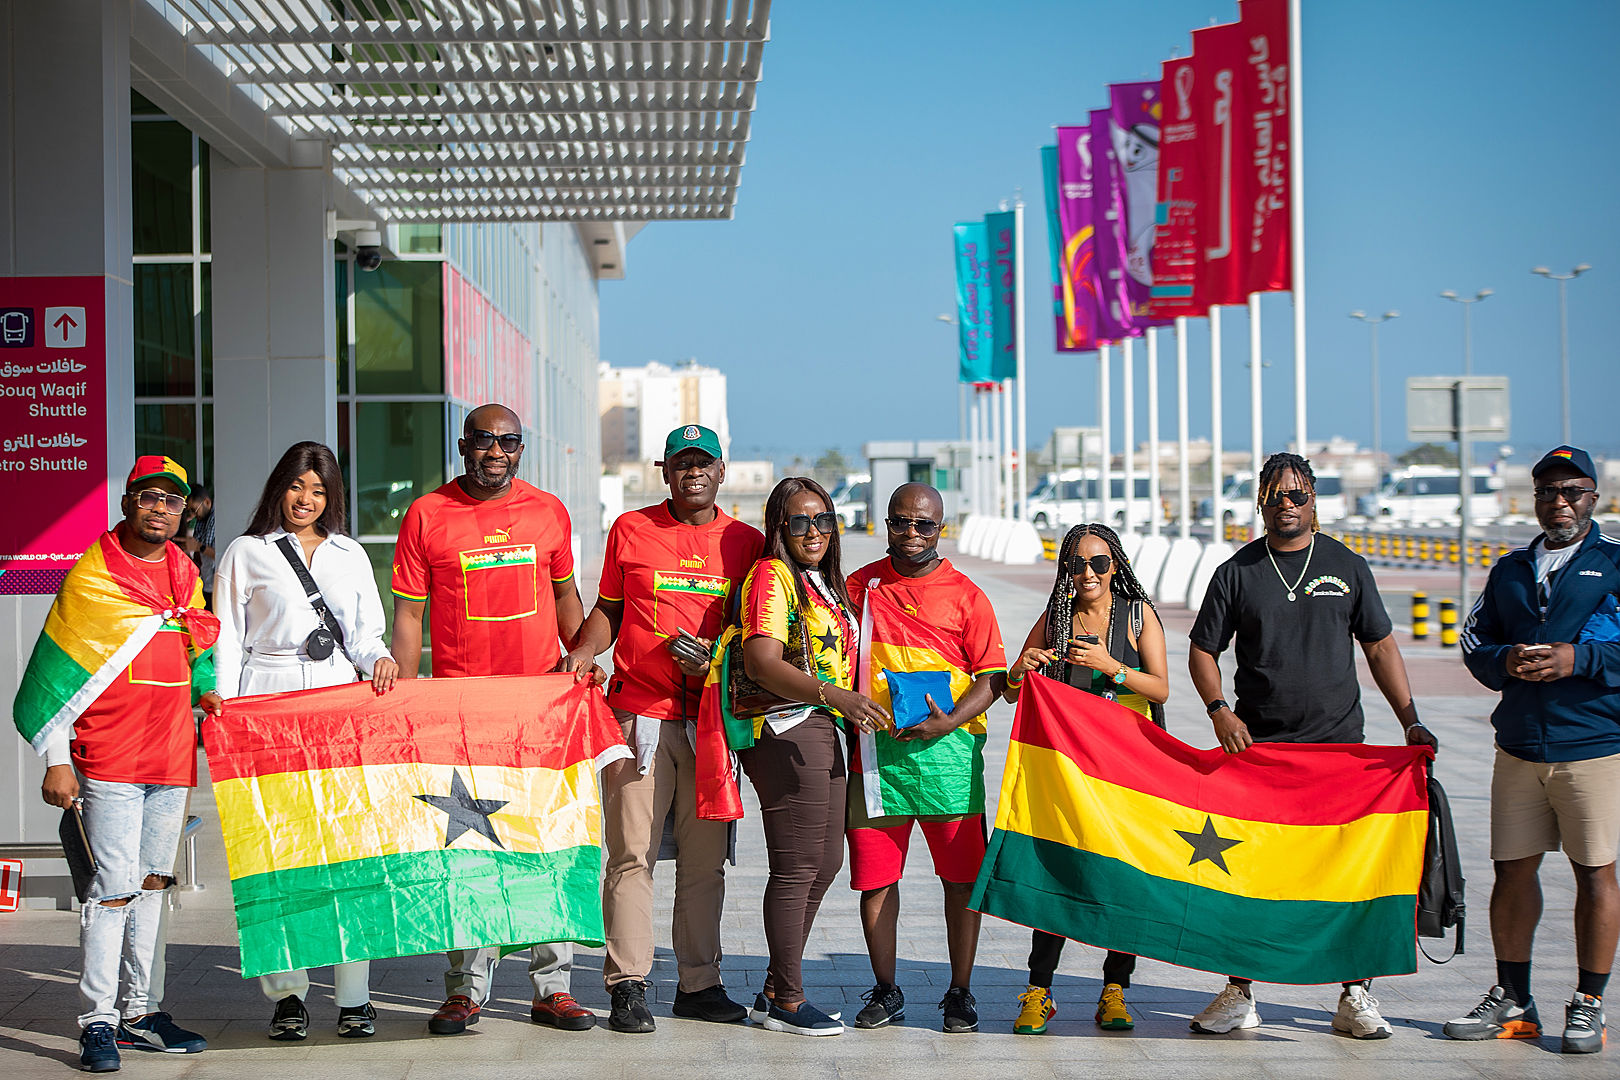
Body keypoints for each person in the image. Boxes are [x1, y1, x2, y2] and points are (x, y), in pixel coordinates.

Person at [1187, 451, 1437, 1040]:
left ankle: (1355, 994)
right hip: (1260, 753)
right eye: (1275, 495)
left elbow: (1379, 647)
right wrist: (1219, 709)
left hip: (1339, 752)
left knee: (1346, 872)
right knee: (1249, 873)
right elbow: (1203, 649)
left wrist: (1411, 721)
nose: (1286, 505)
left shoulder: (1346, 565)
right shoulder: (1238, 571)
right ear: (1259, 501)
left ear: (1315, 499)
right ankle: (1239, 991)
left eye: (1297, 494)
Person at [391, 403, 599, 1036]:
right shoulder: (428, 515)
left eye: (508, 442)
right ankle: (464, 989)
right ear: (463, 445)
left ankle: (552, 987)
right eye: (484, 441)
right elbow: (408, 616)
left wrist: (582, 657)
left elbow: (567, 600)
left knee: (546, 842)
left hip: (539, 708)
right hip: (460, 711)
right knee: (468, 849)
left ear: (520, 449)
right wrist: (400, 692)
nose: (496, 452)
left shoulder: (548, 512)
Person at [18, 456, 224, 1072]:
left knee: (154, 884)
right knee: (111, 891)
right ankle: (97, 1021)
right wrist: (56, 761)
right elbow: (57, 678)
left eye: (172, 500)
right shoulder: (93, 574)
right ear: (129, 501)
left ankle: (139, 1011)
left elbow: (197, 652)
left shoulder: (184, 571)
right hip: (106, 756)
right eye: (149, 497)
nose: (160, 509)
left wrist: (207, 692)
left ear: (183, 509)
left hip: (169, 756)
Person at [561, 425, 762, 1033]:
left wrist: (715, 658)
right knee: (631, 857)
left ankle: (699, 984)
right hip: (637, 718)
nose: (692, 473)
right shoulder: (631, 529)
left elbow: (761, 633)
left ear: (721, 472)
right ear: (664, 471)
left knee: (704, 865)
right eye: (681, 464)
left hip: (709, 727)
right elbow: (609, 612)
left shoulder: (746, 543)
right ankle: (627, 984)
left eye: (703, 464)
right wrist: (583, 650)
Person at [212, 442, 400, 1041]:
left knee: (348, 852)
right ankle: (287, 996)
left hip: (336, 707)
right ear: (279, 488)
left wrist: (383, 659)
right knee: (276, 856)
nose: (306, 500)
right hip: (263, 708)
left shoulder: (351, 555)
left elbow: (367, 634)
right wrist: (222, 711)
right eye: (297, 486)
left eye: (319, 491)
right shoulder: (246, 553)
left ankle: (354, 997)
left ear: (332, 497)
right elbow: (224, 640)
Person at [1447, 444, 1618, 1055]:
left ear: (1593, 496)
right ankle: (1513, 1000)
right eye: (1548, 492)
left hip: (1592, 745)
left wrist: (1581, 657)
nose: (1560, 502)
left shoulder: (1614, 564)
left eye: (1572, 491)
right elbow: (1474, 641)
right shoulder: (1510, 571)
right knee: (1511, 871)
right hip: (1518, 746)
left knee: (1595, 873)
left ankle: (1589, 1004)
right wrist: (1505, 661)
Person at [842, 483, 1007, 1034]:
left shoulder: (967, 596)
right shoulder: (859, 586)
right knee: (876, 880)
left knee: (961, 882)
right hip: (877, 759)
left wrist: (951, 720)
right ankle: (886, 990)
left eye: (924, 525)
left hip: (950, 762)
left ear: (942, 527)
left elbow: (993, 678)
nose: (911, 534)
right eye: (900, 523)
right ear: (884, 522)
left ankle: (960, 992)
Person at [1001, 523, 1169, 1035]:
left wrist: (1110, 666)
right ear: (1065, 570)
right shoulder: (1055, 617)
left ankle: (1114, 988)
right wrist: (1019, 669)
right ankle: (1039, 990)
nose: (1087, 572)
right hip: (1071, 774)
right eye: (1076, 564)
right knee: (1061, 872)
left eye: (1098, 562)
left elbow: (1160, 689)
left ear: (1115, 565)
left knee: (1124, 878)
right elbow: (1012, 690)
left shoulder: (1139, 616)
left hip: (1127, 773)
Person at [735, 477, 889, 1036]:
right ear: (779, 527)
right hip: (788, 728)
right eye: (799, 522)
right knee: (797, 865)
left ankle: (776, 987)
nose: (814, 532)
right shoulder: (771, 577)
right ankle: (789, 1000)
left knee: (824, 862)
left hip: (825, 727)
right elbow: (761, 663)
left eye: (823, 520)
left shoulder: (822, 581)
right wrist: (837, 696)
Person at [179, 485, 215, 610]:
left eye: (194, 509)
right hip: (206, 584)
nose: (193, 515)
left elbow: (222, 554)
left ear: (207, 502)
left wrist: (198, 547)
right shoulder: (200, 520)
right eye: (190, 511)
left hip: (218, 587)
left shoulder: (218, 519)